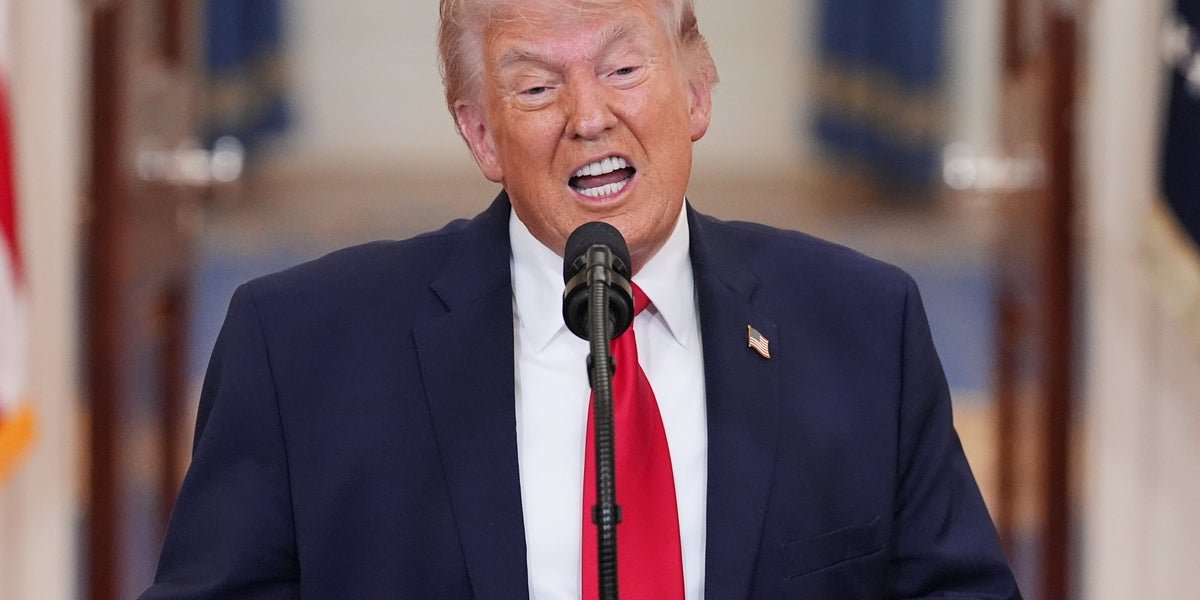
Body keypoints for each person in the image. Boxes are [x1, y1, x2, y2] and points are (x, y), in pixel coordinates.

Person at [142, 0, 1020, 598]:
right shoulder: (299, 353)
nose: (588, 114)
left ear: (697, 91)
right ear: (481, 133)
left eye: (624, 67)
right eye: (534, 86)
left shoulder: (867, 329)